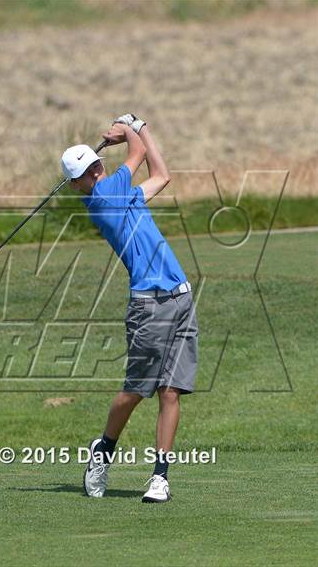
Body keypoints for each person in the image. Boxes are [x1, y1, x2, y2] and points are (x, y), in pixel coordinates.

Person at [61, 114, 198, 503]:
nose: (96, 171)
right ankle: (102, 449)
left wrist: (141, 125)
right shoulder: (104, 199)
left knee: (170, 392)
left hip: (181, 296)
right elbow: (138, 154)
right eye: (88, 171)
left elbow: (163, 175)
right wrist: (128, 130)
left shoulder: (124, 197)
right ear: (78, 184)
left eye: (95, 164)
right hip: (149, 305)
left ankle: (160, 477)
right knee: (137, 391)